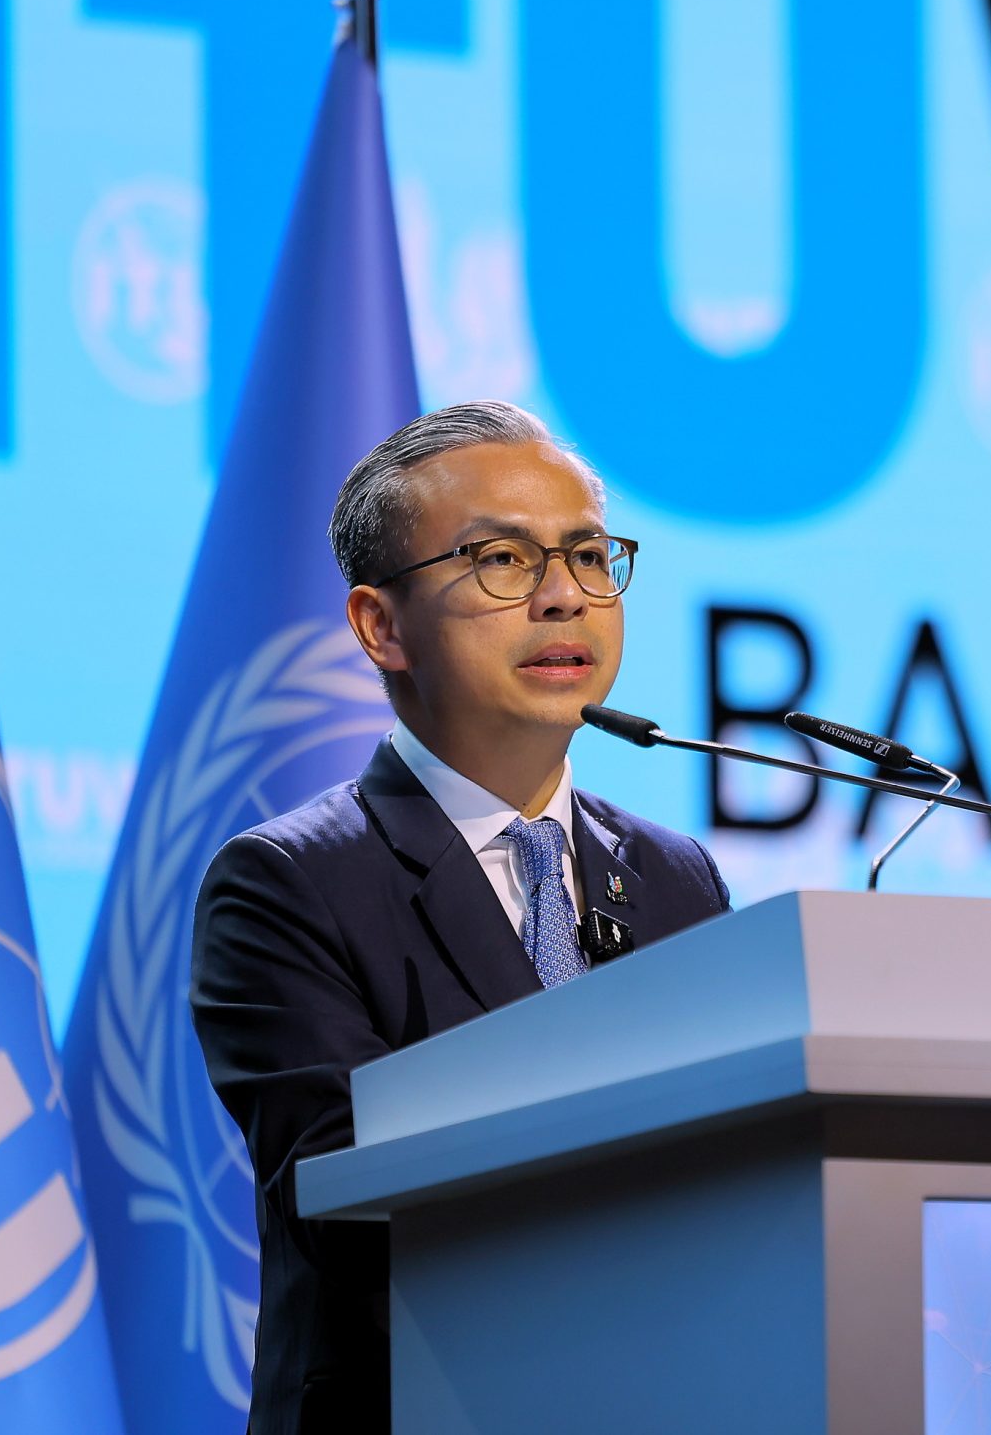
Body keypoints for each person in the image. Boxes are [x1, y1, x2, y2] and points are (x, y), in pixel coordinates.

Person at [189, 401, 731, 1435]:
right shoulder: (286, 884)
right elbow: (356, 1210)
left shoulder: (676, 878)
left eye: (587, 555)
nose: (564, 595)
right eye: (501, 560)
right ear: (380, 626)